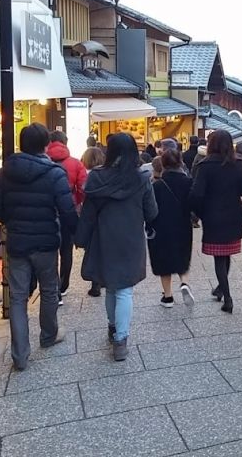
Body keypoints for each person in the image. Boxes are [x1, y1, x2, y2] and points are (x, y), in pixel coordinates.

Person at [0, 123, 78, 371]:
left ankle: (19, 355)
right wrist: (79, 234)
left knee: (17, 296)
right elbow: (67, 209)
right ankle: (48, 336)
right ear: (45, 145)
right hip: (46, 242)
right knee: (49, 289)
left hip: (17, 242)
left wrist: (9, 219)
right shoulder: (54, 173)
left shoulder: (5, 172)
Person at [75, 133, 158, 361]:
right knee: (124, 290)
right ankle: (121, 340)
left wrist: (80, 239)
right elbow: (152, 212)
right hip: (130, 240)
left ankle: (113, 328)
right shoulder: (140, 179)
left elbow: (88, 214)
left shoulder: (96, 178)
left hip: (104, 239)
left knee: (110, 286)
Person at [190, 129, 242, 314]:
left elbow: (196, 194)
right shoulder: (238, 165)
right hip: (233, 216)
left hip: (213, 217)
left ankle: (228, 297)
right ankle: (220, 288)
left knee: (219, 257)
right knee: (226, 254)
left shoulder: (205, 166)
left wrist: (199, 213)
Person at [148, 148, 195, 307]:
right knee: (182, 255)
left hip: (161, 227)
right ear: (180, 162)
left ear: (163, 164)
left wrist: (149, 226)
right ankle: (184, 283)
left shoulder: (157, 185)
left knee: (164, 261)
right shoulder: (188, 182)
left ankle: (168, 297)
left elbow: (150, 209)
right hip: (183, 224)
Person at [46, 130, 88, 304]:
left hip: (46, 212)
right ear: (65, 142)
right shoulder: (76, 163)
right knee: (66, 250)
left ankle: (53, 286)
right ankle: (63, 286)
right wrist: (77, 203)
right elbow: (83, 188)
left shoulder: (44, 162)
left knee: (49, 251)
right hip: (68, 210)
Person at [81, 147, 106, 298]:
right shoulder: (106, 174)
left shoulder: (87, 175)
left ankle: (95, 282)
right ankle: (103, 277)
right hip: (106, 216)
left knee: (92, 248)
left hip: (90, 216)